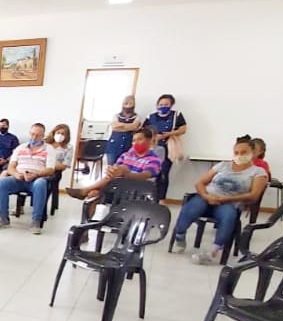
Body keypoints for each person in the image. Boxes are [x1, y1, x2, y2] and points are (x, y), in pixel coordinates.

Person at [171, 136, 269, 265]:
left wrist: (227, 199)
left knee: (228, 216)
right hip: (208, 197)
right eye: (236, 152)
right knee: (192, 207)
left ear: (253, 153)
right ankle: (180, 236)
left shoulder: (258, 172)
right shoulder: (223, 165)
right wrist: (207, 196)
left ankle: (213, 251)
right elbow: (200, 183)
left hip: (229, 202)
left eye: (244, 152)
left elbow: (254, 196)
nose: (239, 155)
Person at [69, 127, 161, 201]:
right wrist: (111, 169)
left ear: (149, 141)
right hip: (118, 185)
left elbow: (145, 175)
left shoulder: (154, 159)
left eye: (140, 139)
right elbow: (115, 168)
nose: (135, 143)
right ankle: (94, 208)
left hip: (137, 188)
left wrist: (127, 174)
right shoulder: (126, 155)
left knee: (123, 168)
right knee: (93, 193)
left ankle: (85, 190)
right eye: (133, 140)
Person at [0, 123, 51, 234]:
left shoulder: (49, 149)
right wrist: (16, 174)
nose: (34, 137)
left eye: (38, 135)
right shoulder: (20, 148)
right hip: (19, 178)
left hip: (36, 179)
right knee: (2, 183)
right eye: (32, 134)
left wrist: (36, 174)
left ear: (43, 136)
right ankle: (4, 219)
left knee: (40, 184)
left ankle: (36, 222)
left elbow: (50, 169)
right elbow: (11, 166)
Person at [145, 94, 188, 201]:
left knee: (163, 173)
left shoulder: (176, 115)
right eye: (161, 104)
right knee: (150, 172)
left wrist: (168, 134)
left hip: (167, 147)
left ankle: (161, 199)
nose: (163, 106)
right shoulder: (150, 116)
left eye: (166, 104)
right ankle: (148, 197)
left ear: (171, 105)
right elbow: (144, 131)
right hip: (152, 147)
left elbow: (183, 129)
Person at [106, 96, 143, 165]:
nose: (128, 106)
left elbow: (134, 126)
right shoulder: (116, 115)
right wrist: (129, 127)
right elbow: (114, 127)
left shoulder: (137, 116)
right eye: (126, 103)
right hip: (114, 145)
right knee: (111, 166)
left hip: (129, 145)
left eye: (130, 103)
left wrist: (121, 126)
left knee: (125, 167)